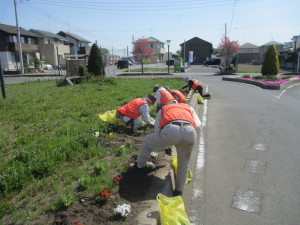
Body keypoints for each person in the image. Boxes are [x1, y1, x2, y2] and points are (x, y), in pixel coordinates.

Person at [134, 102, 201, 196]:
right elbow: (198, 125)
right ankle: (178, 191)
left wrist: (166, 144)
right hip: (190, 132)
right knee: (183, 164)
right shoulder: (188, 107)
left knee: (147, 142)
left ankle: (139, 166)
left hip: (172, 129)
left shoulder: (164, 108)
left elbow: (157, 129)